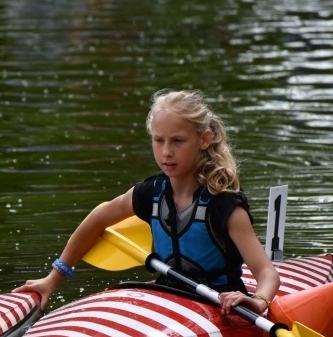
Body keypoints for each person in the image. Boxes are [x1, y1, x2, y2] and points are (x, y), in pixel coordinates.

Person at [14, 89, 280, 316]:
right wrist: (54, 278)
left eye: (178, 141)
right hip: (166, 297)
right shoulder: (150, 193)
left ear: (204, 140)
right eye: (158, 140)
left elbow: (266, 272)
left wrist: (257, 302)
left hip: (219, 308)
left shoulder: (224, 206)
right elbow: (97, 220)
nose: (166, 152)